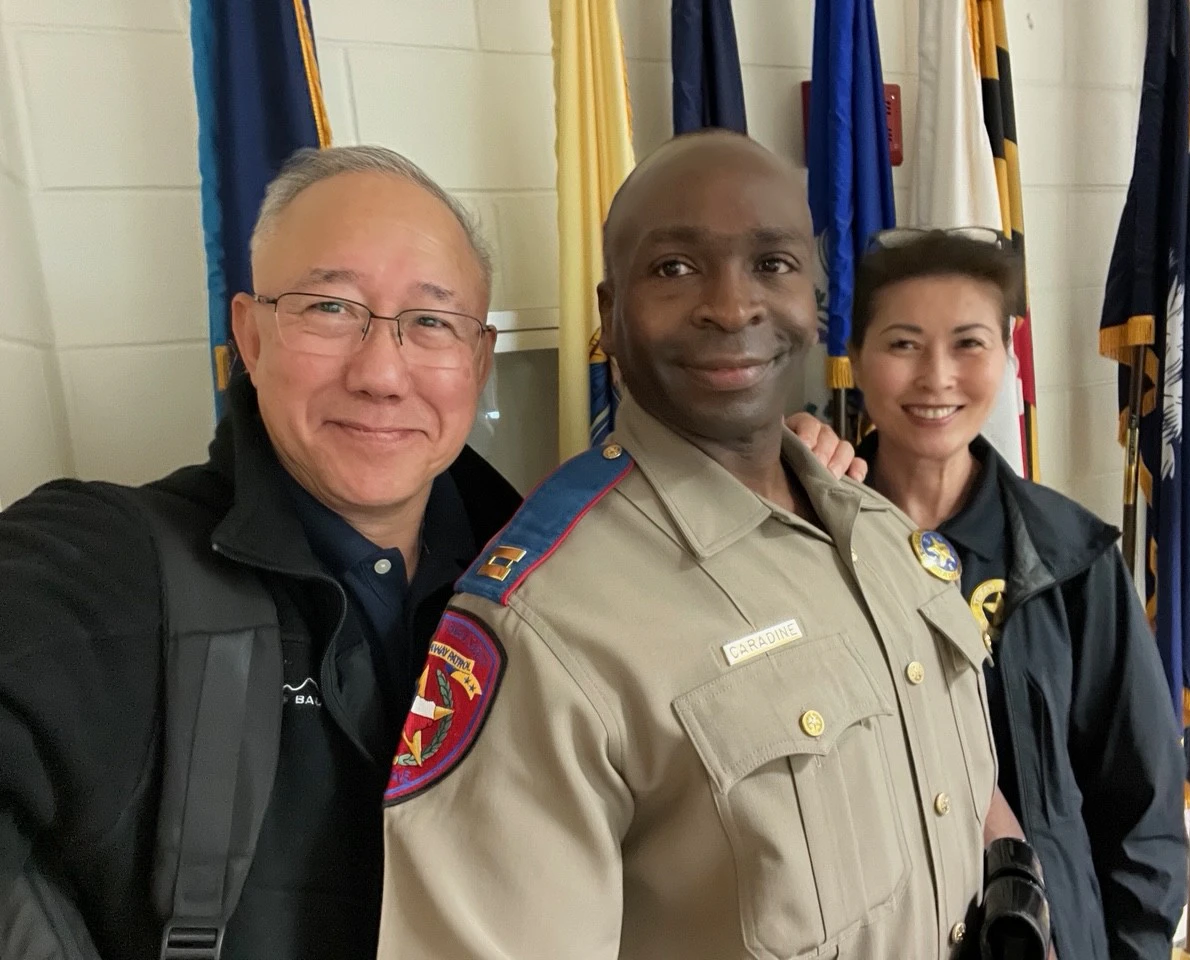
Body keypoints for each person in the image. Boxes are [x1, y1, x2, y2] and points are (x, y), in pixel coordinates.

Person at [0, 144, 860, 960]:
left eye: (432, 321)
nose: (382, 373)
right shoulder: (118, 569)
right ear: (251, 338)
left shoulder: (558, 580)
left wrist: (777, 488)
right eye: (330, 309)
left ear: (479, 362)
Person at [377, 131, 1005, 960]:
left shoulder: (881, 532)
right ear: (609, 315)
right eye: (674, 268)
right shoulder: (546, 626)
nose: (733, 307)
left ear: (816, 299)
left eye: (772, 264)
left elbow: (956, 794)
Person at [847, 228, 1187, 960]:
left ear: (1007, 356)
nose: (937, 376)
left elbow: (1142, 808)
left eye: (968, 343)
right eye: (903, 344)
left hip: (1050, 935)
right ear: (855, 358)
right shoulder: (807, 546)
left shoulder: (1070, 558)